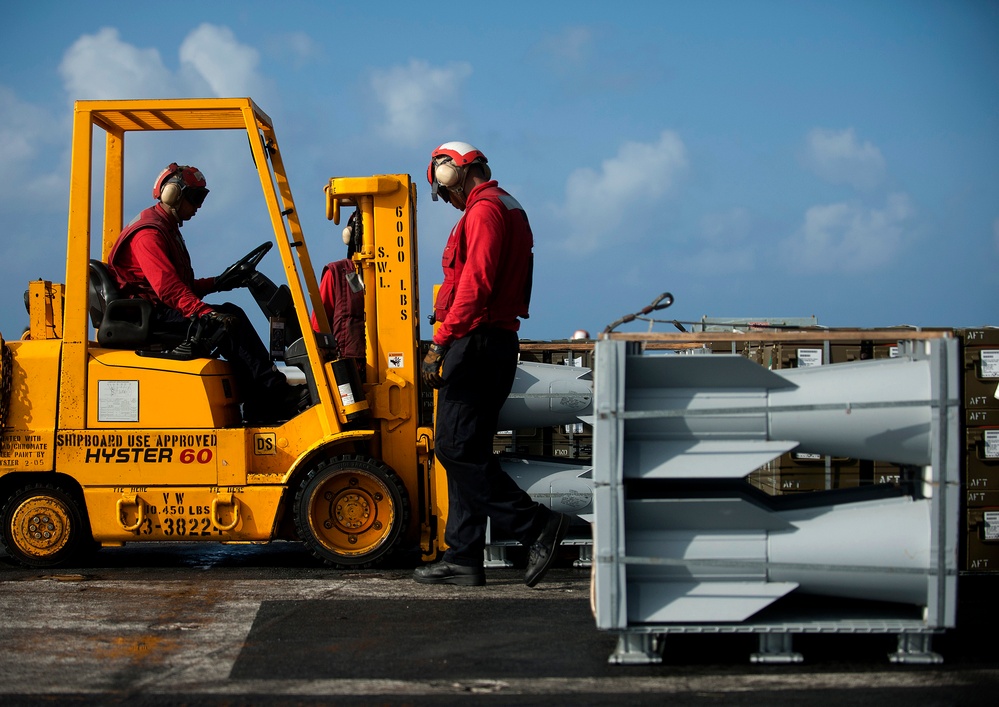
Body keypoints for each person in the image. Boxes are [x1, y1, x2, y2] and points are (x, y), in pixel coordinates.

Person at [414, 142, 569, 588]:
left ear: (451, 174)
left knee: (453, 447)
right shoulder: (509, 206)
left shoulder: (482, 213)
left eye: (444, 193)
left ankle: (535, 525)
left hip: (475, 341)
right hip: (497, 342)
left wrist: (440, 342)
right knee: (470, 450)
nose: (449, 202)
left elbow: (475, 284)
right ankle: (462, 556)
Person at [107, 162, 310, 425]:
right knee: (227, 324)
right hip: (148, 315)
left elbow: (182, 285)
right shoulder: (150, 234)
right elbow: (168, 289)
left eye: (201, 198)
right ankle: (272, 396)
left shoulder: (166, 228)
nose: (198, 206)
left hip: (155, 309)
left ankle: (263, 398)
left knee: (229, 312)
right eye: (194, 198)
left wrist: (218, 282)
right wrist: (205, 313)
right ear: (172, 194)